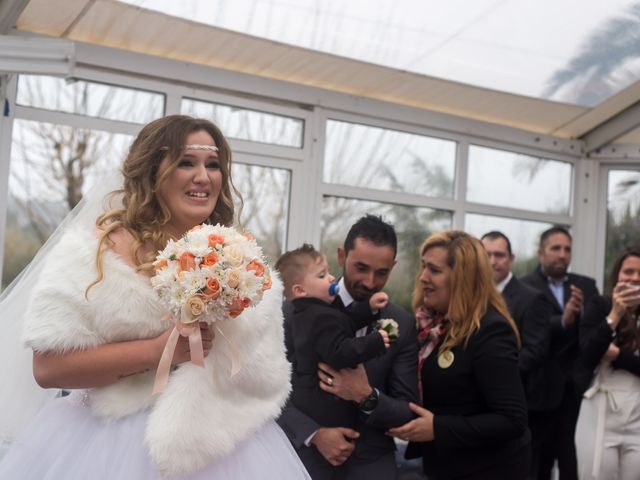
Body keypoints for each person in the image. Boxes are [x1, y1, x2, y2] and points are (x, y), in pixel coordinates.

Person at [0, 115, 309, 479]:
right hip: (114, 446)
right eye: (185, 162)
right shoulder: (96, 252)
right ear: (151, 171)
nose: (203, 176)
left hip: (226, 449)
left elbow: (265, 375)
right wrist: (158, 351)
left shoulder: (238, 259)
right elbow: (49, 368)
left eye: (213, 165)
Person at [277, 215, 419, 480]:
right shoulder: (292, 311)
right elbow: (266, 391)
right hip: (302, 458)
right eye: (361, 268)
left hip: (370, 462)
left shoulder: (403, 323)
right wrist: (314, 434)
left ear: (393, 266)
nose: (369, 281)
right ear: (342, 256)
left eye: (382, 273)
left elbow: (405, 411)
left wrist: (365, 395)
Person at [390, 230, 530, 479]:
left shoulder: (490, 331)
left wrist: (437, 428)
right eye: (423, 267)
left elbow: (511, 420)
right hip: (445, 465)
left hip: (488, 469)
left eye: (434, 270)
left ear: (462, 278)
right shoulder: (429, 326)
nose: (423, 277)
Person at [521, 226, 598, 480]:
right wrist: (563, 320)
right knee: (537, 463)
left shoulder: (586, 286)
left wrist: (583, 314)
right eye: (556, 248)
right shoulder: (525, 287)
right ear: (541, 252)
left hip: (577, 390)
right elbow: (530, 333)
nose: (562, 255)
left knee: (571, 461)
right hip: (539, 391)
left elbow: (596, 331)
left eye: (567, 249)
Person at [481, 231, 551, 477]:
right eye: (486, 254)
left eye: (499, 255)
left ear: (511, 259)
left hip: (517, 405)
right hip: (477, 411)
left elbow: (535, 351)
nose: (492, 261)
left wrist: (492, 374)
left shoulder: (532, 298)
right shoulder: (469, 296)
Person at [574, 248, 640, 480]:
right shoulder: (600, 305)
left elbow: (608, 352)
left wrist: (618, 355)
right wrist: (615, 315)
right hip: (600, 409)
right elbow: (588, 354)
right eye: (628, 271)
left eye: (639, 273)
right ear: (617, 275)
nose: (634, 278)